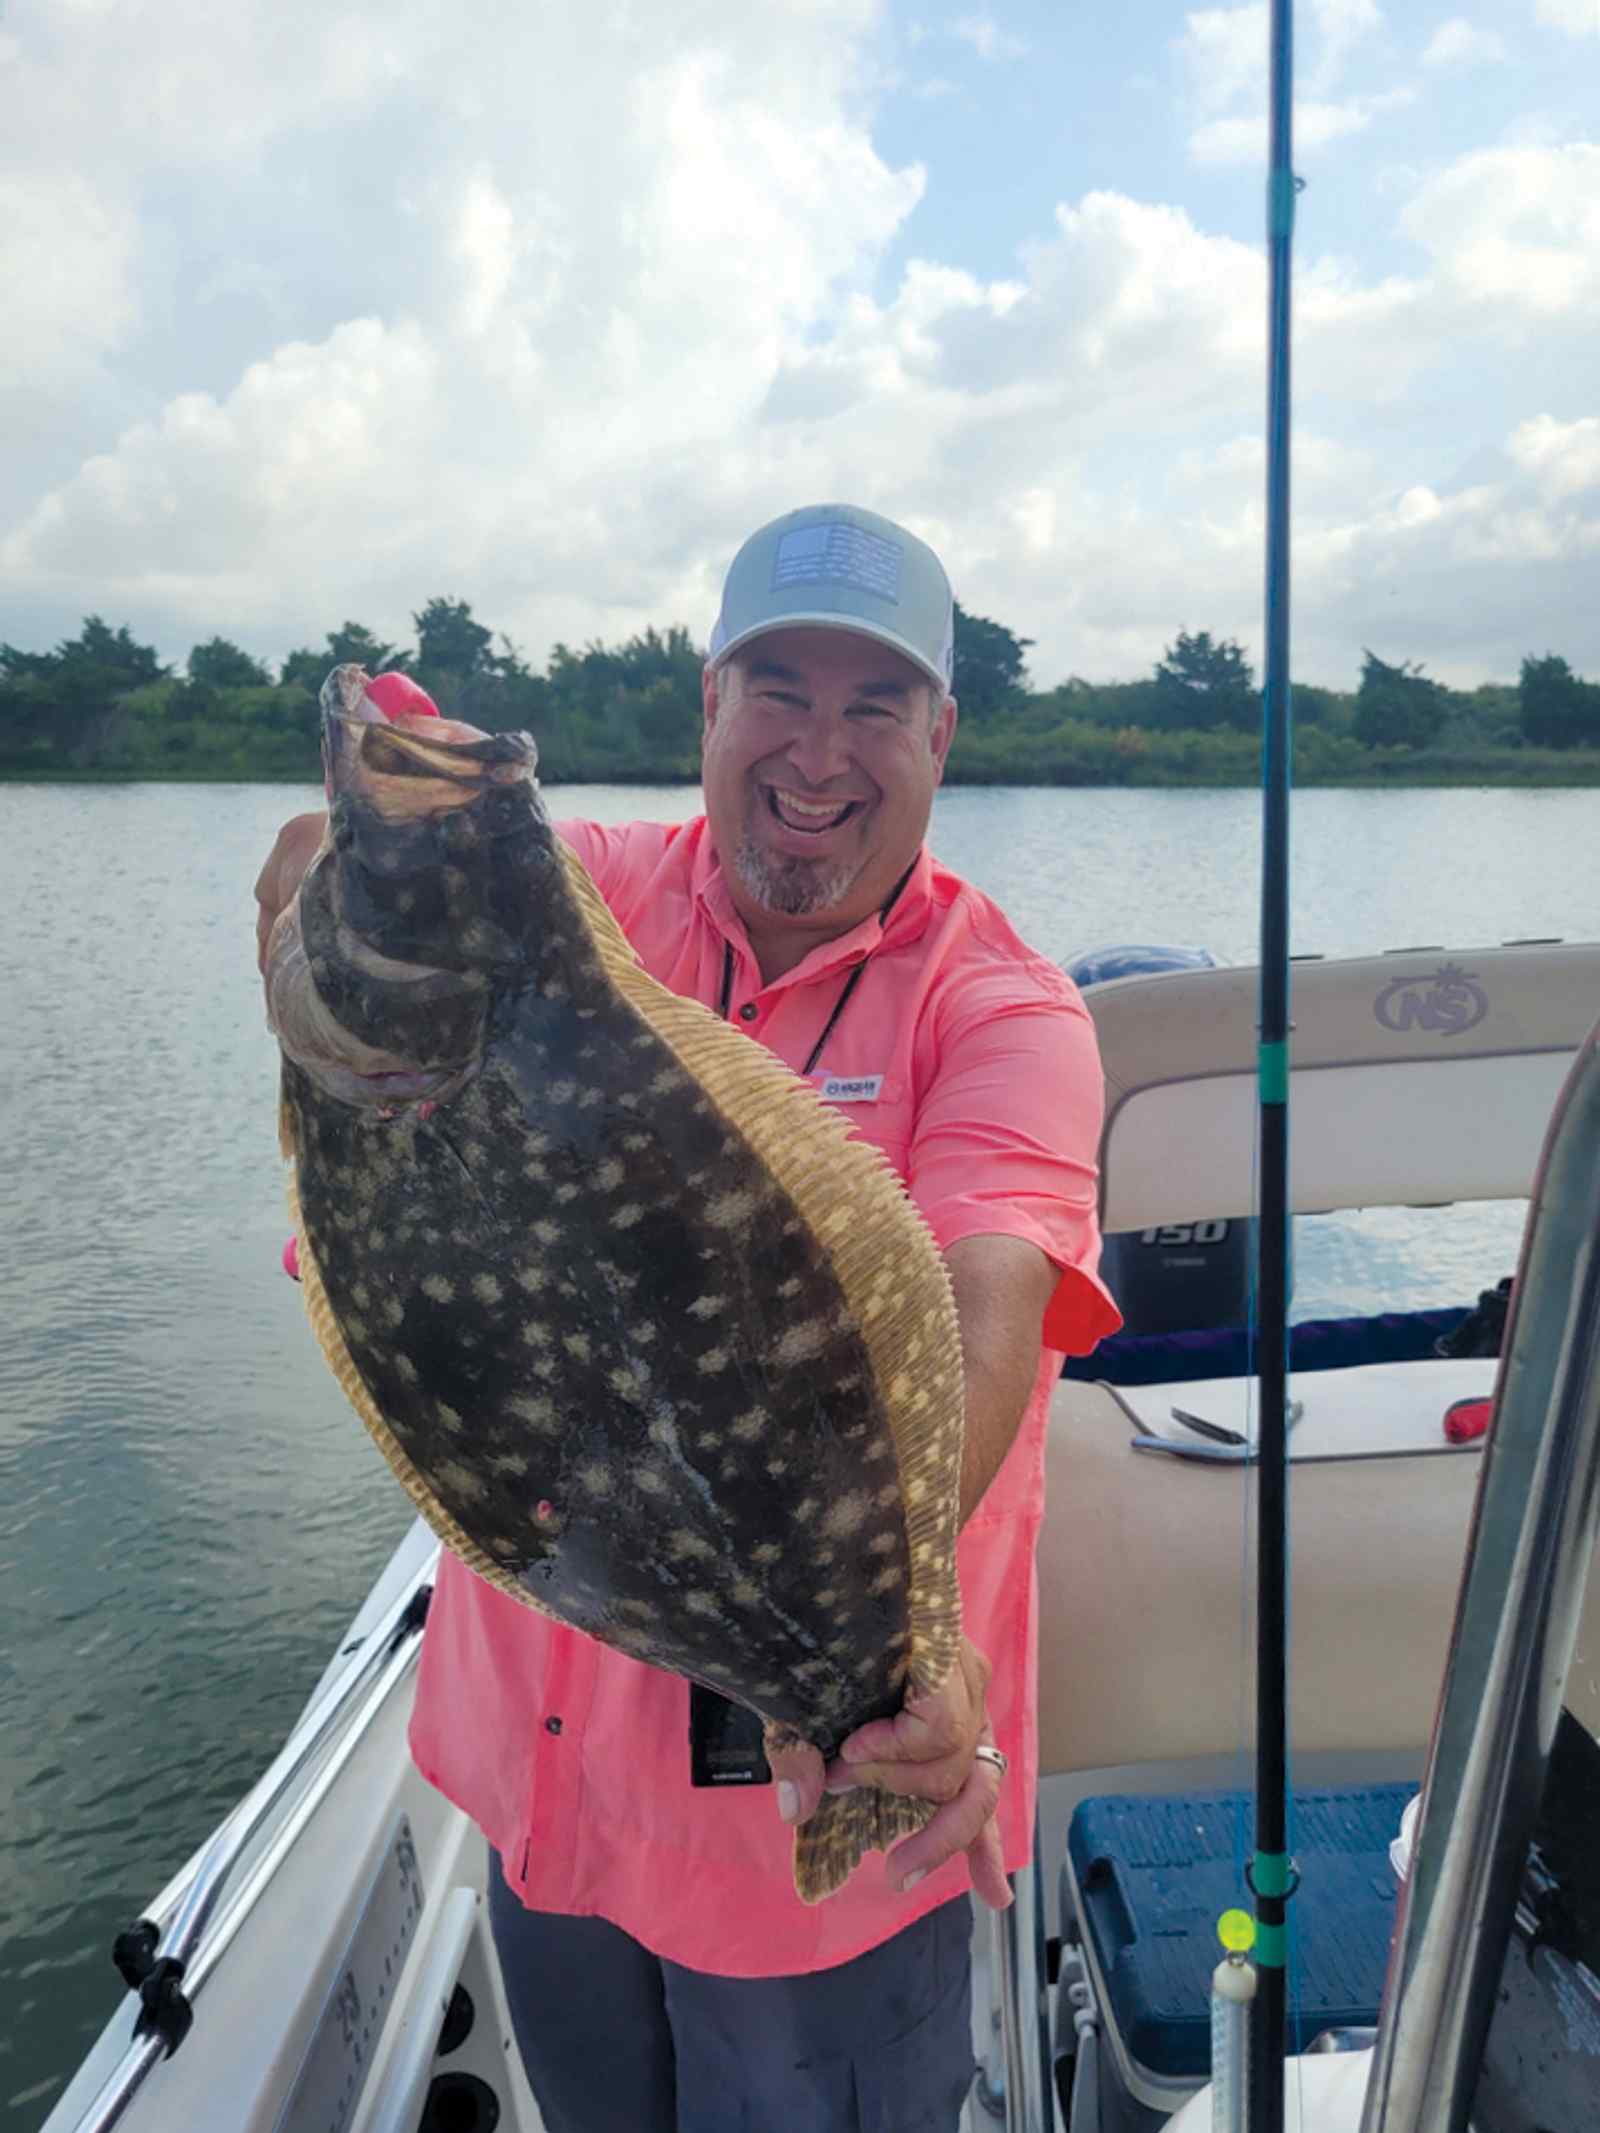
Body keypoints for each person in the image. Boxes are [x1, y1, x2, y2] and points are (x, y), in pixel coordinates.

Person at [254, 502, 1119, 2131]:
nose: (820, 749)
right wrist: (332, 865)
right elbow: (370, 925)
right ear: (708, 706)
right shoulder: (578, 898)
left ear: (942, 736)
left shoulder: (1004, 1005)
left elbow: (986, 1295)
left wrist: (892, 1650)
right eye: (778, 689)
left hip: (820, 1823)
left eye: (875, 703)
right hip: (543, 1802)